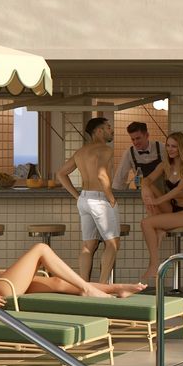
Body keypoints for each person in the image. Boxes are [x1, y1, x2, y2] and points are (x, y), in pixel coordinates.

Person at [0, 219, 142, 306]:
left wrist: (21, 269)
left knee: (57, 282)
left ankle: (117, 288)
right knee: (40, 248)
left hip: (2, 280)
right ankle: (88, 289)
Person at [57, 116, 121, 282]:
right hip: (100, 200)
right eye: (108, 127)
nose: (112, 130)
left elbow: (61, 173)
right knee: (112, 243)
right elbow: (101, 174)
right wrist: (111, 198)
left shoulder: (81, 152)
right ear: (99, 131)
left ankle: (84, 285)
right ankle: (102, 285)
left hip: (84, 199)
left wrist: (77, 196)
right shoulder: (105, 149)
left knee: (88, 245)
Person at [139, 132, 183, 284]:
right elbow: (148, 179)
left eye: (174, 146)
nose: (170, 149)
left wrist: (157, 201)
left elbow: (178, 190)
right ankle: (160, 228)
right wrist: (145, 187)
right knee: (148, 186)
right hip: (172, 208)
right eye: (168, 146)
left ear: (181, 148)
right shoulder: (165, 165)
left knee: (146, 223)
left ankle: (154, 265)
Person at [115, 121, 168, 216]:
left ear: (147, 135)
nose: (135, 142)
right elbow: (120, 178)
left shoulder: (161, 148)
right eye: (133, 139)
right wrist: (117, 195)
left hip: (163, 193)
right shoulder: (129, 153)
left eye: (138, 138)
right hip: (144, 195)